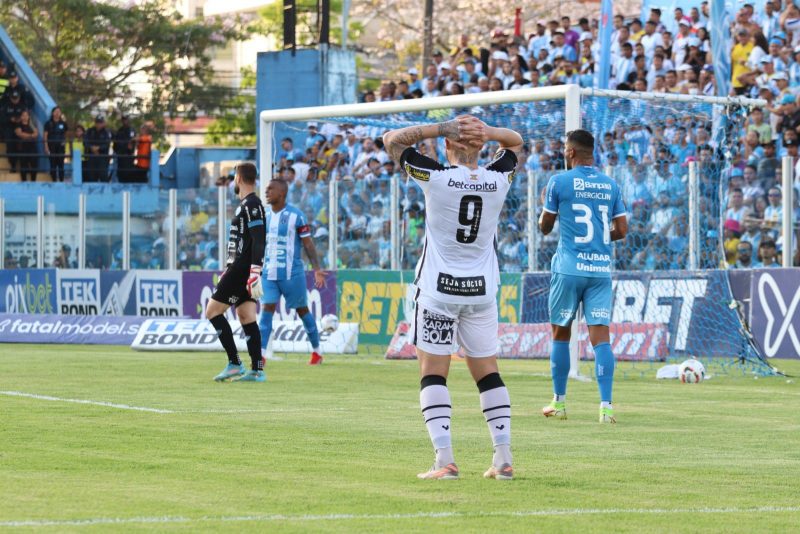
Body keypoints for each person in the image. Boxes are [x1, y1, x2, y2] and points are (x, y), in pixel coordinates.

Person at [383, 114, 523, 481]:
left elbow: (392, 140)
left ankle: (445, 459)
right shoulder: (499, 179)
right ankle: (503, 459)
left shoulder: (437, 178)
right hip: (481, 292)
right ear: (481, 146)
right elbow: (516, 142)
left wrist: (440, 127)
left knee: (433, 374)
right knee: (488, 373)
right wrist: (489, 132)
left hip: (438, 291)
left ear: (447, 146)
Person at [539, 129, 628, 424]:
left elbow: (545, 227)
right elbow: (622, 230)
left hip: (568, 269)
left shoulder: (559, 182)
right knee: (601, 338)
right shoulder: (610, 185)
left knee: (561, 334)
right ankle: (606, 408)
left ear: (570, 152)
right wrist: (599, 241)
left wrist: (545, 207)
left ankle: (560, 404)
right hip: (600, 269)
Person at [205, 163, 268, 382]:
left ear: (239, 178)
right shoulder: (247, 205)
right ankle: (257, 369)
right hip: (239, 268)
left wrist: (254, 271)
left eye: (234, 177)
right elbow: (243, 241)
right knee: (246, 316)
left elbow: (259, 240)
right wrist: (227, 269)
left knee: (212, 311)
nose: (233, 181)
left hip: (244, 269)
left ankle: (234, 363)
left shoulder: (252, 205)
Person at [257, 179, 327, 365]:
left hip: (291, 275)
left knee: (302, 310)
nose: (267, 191)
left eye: (271, 189)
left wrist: (317, 269)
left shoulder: (297, 216)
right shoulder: (264, 216)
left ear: (282, 193)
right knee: (267, 309)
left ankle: (317, 352)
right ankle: (261, 355)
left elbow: (308, 245)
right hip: (269, 274)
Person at [43, 106, 68, 182]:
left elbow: (66, 133)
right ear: (52, 113)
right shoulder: (48, 123)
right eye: (56, 111)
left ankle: (61, 181)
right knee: (53, 165)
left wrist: (64, 141)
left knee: (61, 165)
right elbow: (45, 136)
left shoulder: (63, 123)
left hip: (61, 147)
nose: (57, 113)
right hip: (52, 146)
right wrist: (46, 147)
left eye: (59, 112)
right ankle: (54, 181)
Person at [84, 116, 112, 182]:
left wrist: (98, 148)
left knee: (103, 177)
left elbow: (107, 144)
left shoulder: (106, 132)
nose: (98, 124)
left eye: (100, 122)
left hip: (102, 158)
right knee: (91, 177)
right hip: (91, 158)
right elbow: (85, 142)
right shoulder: (90, 131)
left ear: (103, 123)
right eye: (97, 122)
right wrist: (92, 147)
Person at [14, 109, 38, 182]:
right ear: (21, 117)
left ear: (28, 116)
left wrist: (26, 135)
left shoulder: (31, 124)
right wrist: (31, 135)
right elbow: (19, 134)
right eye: (23, 115)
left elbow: (36, 134)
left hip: (32, 147)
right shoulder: (18, 124)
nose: (25, 117)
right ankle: (24, 182)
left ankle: (33, 182)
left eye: (26, 115)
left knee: (34, 165)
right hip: (22, 147)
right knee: (23, 166)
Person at [114, 114, 136, 182]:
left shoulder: (132, 130)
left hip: (128, 155)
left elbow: (132, 142)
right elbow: (116, 142)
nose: (125, 121)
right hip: (120, 155)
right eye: (123, 120)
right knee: (120, 173)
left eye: (126, 120)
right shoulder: (120, 130)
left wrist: (129, 147)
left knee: (128, 173)